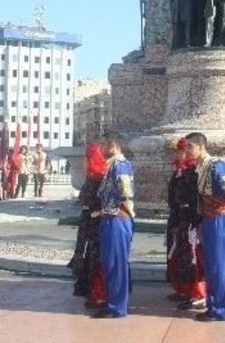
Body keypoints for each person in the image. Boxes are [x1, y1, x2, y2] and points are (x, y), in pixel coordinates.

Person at [186, 132, 225, 322]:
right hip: (209, 220)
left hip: (220, 219)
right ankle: (213, 304)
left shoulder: (217, 165)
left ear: (201, 147)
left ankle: (221, 309)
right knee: (211, 265)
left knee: (222, 264)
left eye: (190, 146)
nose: (187, 150)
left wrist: (215, 203)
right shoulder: (200, 168)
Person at [92, 132, 135, 319]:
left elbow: (126, 193)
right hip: (110, 218)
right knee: (110, 263)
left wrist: (127, 213)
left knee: (117, 264)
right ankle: (112, 302)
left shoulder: (120, 165)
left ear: (114, 145)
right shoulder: (112, 165)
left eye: (105, 143)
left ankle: (118, 307)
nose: (102, 147)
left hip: (117, 219)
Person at [166, 138, 206, 310]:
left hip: (190, 217)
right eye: (178, 151)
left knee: (192, 257)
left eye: (182, 150)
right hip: (179, 216)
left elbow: (196, 197)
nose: (179, 154)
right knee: (179, 254)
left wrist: (195, 220)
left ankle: (198, 293)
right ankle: (183, 289)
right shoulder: (179, 171)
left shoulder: (193, 171)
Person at [69, 143, 108, 308]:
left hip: (95, 224)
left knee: (95, 257)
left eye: (86, 159)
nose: (84, 163)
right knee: (86, 256)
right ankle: (92, 292)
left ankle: (99, 295)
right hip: (87, 223)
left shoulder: (100, 179)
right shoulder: (90, 177)